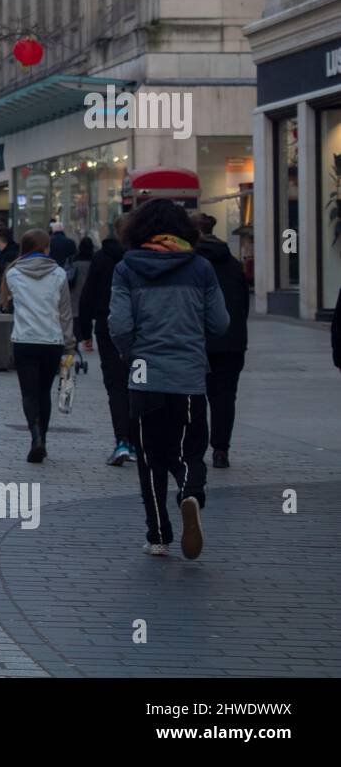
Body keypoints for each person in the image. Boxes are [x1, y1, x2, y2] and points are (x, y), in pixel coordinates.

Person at [109, 198, 229, 560]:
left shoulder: (126, 268)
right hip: (189, 377)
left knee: (149, 457)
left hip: (145, 378)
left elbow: (119, 325)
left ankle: (158, 535)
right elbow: (220, 323)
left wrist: (131, 353)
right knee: (190, 448)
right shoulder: (201, 268)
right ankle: (190, 492)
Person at [0, 229, 75, 463]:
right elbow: (65, 314)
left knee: (29, 393)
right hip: (52, 341)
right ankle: (44, 438)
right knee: (44, 393)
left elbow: (4, 304)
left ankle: (35, 436)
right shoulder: (59, 274)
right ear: (45, 248)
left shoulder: (12, 274)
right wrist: (70, 344)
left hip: (24, 340)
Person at [193, 213, 249, 470]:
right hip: (231, 342)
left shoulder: (191, 263)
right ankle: (220, 449)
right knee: (225, 397)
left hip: (197, 341)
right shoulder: (234, 264)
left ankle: (194, 447)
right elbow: (243, 306)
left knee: (194, 397)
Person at [77, 216, 135, 465]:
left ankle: (122, 440)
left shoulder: (101, 258)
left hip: (107, 328)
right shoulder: (140, 258)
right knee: (138, 385)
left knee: (116, 386)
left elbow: (87, 295)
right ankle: (137, 441)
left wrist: (84, 333)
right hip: (138, 331)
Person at [67, 236, 94, 339]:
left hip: (75, 289)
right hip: (88, 289)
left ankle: (76, 336)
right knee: (87, 314)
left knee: (75, 313)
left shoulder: (73, 260)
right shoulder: (94, 260)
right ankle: (87, 337)